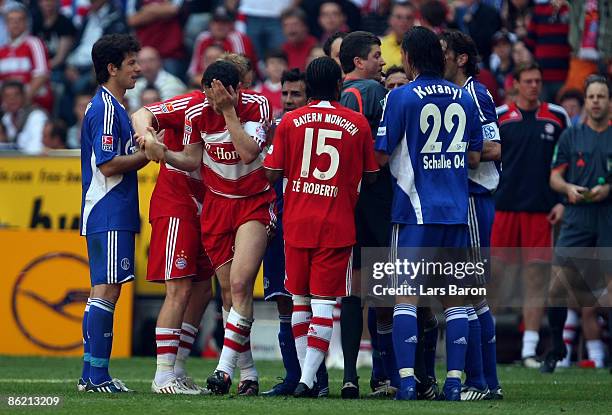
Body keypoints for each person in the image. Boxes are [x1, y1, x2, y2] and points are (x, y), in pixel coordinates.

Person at [141, 60, 273, 396]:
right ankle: (249, 373)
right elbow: (190, 159)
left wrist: (229, 112)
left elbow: (247, 153)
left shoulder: (256, 105)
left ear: (236, 88)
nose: (211, 101)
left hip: (253, 201)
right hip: (216, 205)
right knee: (228, 290)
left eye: (218, 95)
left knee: (241, 283)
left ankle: (221, 369)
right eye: (207, 94)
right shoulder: (195, 112)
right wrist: (161, 151)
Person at [375, 26, 483, 401]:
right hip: (455, 211)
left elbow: (381, 153)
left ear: (408, 57)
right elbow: (473, 156)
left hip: (415, 211)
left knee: (405, 296)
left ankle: (406, 383)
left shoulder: (401, 96)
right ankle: (454, 383)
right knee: (454, 299)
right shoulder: (464, 97)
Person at [263, 55, 379, 397]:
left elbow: (271, 172)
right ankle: (307, 379)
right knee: (325, 303)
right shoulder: (357, 123)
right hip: (337, 222)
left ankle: (308, 379)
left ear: (309, 87)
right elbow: (371, 175)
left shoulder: (290, 121)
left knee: (300, 300)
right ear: (340, 85)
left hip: (297, 220)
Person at [132, 88, 216, 394]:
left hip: (208, 207)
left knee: (203, 289)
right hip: (177, 204)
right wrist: (150, 139)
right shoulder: (195, 102)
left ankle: (178, 368)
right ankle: (163, 374)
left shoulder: (241, 112)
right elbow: (141, 114)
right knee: (179, 287)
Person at [78, 33, 146, 393]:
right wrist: (149, 155)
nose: (138, 68)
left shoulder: (111, 106)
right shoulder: (106, 109)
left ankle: (91, 375)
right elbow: (107, 165)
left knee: (101, 290)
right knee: (107, 290)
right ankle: (98, 376)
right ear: (112, 68)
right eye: (132, 62)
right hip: (109, 207)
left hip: (106, 209)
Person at [493, 62, 570, 369]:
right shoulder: (501, 117)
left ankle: (528, 351)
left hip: (542, 210)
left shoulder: (557, 116)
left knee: (536, 280)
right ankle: (487, 344)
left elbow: (567, 160)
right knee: (496, 277)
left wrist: (563, 200)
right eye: (528, 81)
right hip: (505, 207)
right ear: (515, 84)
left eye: (538, 80)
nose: (534, 86)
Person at [441, 29, 503, 401]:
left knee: (471, 292)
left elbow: (494, 147)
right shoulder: (456, 95)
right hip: (462, 199)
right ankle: (484, 381)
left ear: (461, 58)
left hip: (475, 198)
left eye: (445, 52)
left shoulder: (474, 94)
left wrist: (450, 154)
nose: (440, 57)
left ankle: (482, 382)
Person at [541, 75, 612, 373]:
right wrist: (567, 188)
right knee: (557, 287)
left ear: (609, 101)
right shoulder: (572, 135)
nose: (596, 101)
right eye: (591, 96)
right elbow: (554, 176)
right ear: (586, 101)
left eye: (601, 96)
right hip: (577, 215)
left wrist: (609, 188)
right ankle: (556, 347)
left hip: (608, 214)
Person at [337, 30, 392, 399]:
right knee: (386, 289)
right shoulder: (372, 92)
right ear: (358, 61)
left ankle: (350, 376)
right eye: (376, 55)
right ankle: (386, 375)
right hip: (377, 197)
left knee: (352, 290)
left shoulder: (339, 95)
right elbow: (376, 150)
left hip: (345, 201)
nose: (382, 62)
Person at [0, 4, 53, 112]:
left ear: (26, 23)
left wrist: (20, 101)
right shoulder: (2, 50)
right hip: (7, 107)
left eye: (19, 20)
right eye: (11, 20)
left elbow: (41, 75)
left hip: (34, 104)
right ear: (6, 25)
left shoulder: (35, 43)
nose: (15, 24)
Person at [125, 46, 186, 111]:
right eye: (142, 61)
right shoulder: (136, 85)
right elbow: (131, 110)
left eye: (151, 60)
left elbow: (167, 112)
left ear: (160, 61)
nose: (147, 65)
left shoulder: (173, 85)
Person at [0, 80, 48, 154]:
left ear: (24, 96)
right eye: (7, 96)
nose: (12, 99)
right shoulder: (4, 119)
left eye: (16, 95)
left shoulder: (36, 116)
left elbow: (36, 148)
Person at [380, 1, 415, 71]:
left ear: (414, 21)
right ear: (390, 20)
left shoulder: (419, 46)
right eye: (399, 17)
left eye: (408, 17)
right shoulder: (380, 45)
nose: (404, 21)